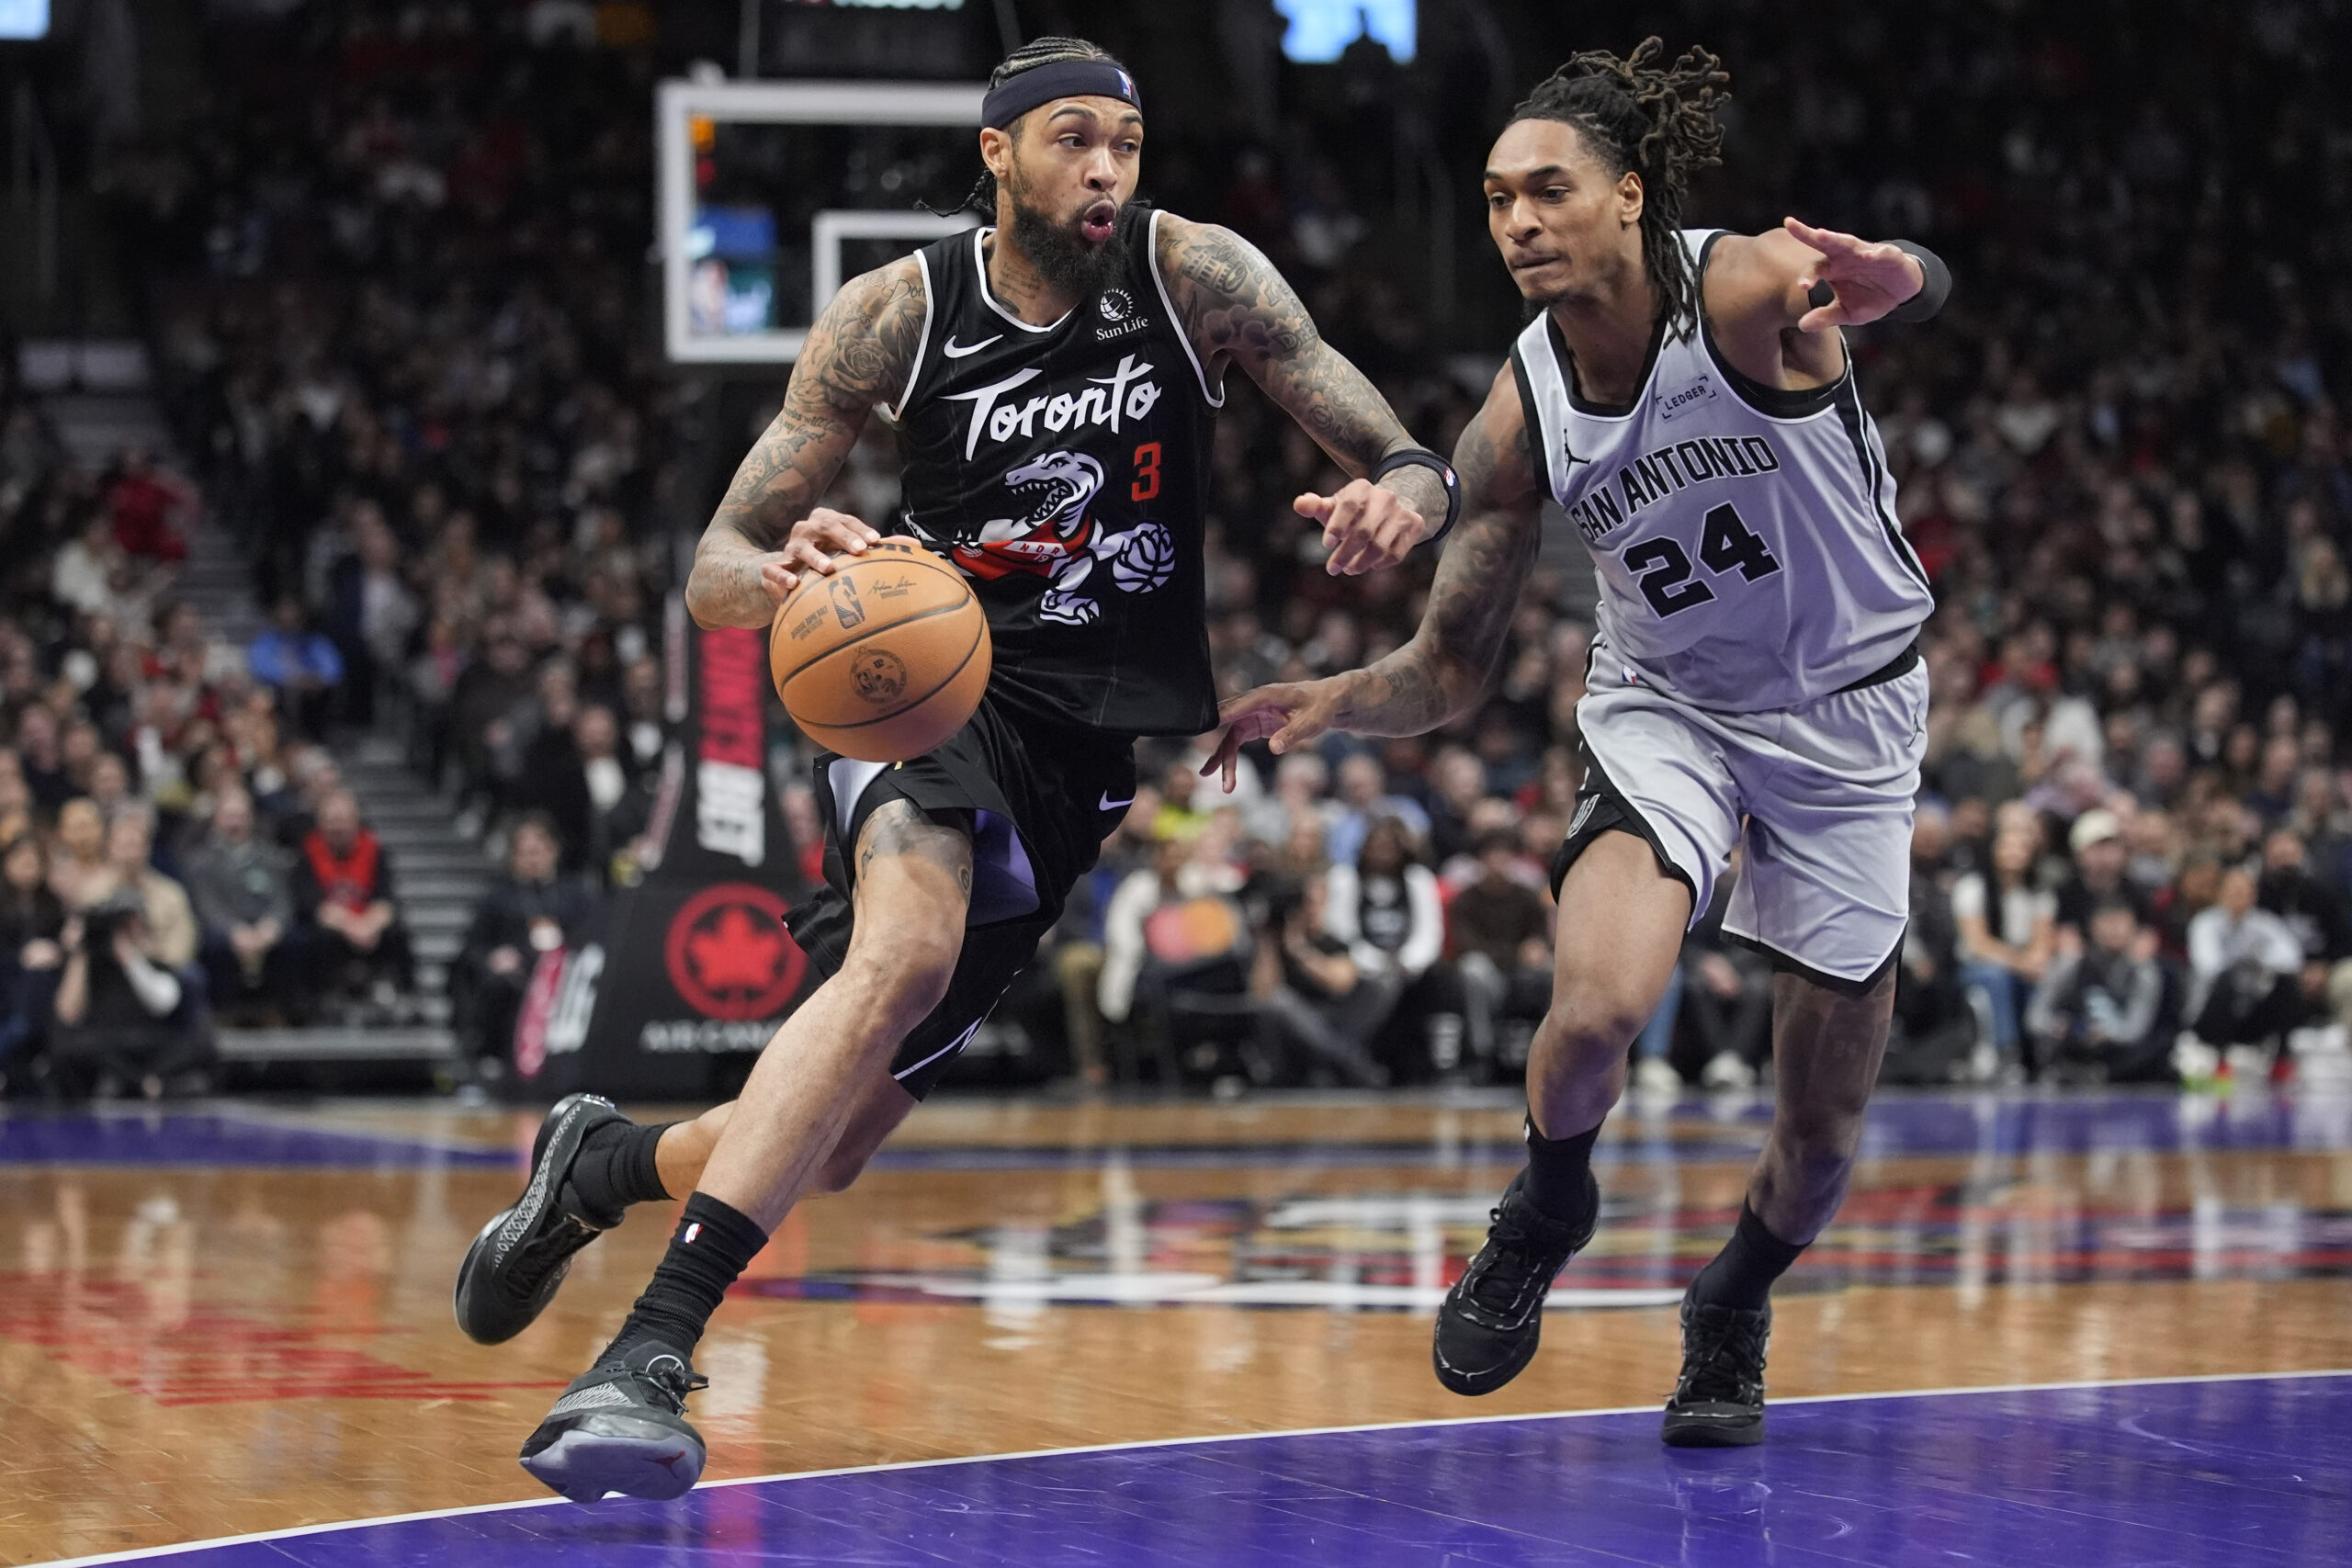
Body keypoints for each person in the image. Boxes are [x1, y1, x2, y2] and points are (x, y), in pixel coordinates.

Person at [454, 35, 1454, 1504]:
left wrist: (1400, 501)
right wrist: (787, 566)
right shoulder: (893, 314)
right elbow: (713, 570)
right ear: (996, 152)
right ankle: (649, 1351)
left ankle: (599, 1166)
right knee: (906, 951)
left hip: (1087, 742)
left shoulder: (1200, 277)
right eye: (1070, 136)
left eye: (1124, 136)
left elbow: (1405, 447)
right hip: (923, 690)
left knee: (835, 1140)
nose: (1106, 165)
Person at [1204, 39, 1949, 1445]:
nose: (1519, 222)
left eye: (1549, 190)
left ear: (1629, 194)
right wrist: (1322, 697)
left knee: (1820, 1136)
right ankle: (1548, 1198)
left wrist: (1909, 276)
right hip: (1668, 706)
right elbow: (1450, 664)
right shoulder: (1526, 401)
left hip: (1851, 718)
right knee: (1599, 1007)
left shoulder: (1731, 290)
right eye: (1494, 200)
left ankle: (1733, 1298)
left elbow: (1877, 275)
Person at [450, 814, 594, 1077]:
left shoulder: (575, 893)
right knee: (499, 986)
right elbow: (473, 945)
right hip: (520, 977)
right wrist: (494, 957)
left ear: (553, 851)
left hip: (566, 977)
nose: (532, 859)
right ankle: (493, 1058)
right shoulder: (498, 896)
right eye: (525, 853)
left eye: (538, 851)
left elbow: (592, 935)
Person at [182, 786, 303, 1023]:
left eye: (240, 816)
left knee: (295, 941)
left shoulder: (270, 856)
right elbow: (207, 905)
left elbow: (282, 899)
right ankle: (223, 1013)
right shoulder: (200, 860)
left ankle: (279, 1012)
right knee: (212, 945)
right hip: (224, 929)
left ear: (251, 819)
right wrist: (234, 931)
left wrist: (272, 926)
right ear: (217, 818)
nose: (235, 822)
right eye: (229, 815)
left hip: (264, 927)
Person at [1951, 818, 2056, 1078]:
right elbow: (1978, 944)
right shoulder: (1972, 888)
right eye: (2007, 845)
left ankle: (2045, 1052)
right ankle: (2005, 1050)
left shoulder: (2039, 893)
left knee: (2051, 976)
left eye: (2022, 847)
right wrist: (2022, 964)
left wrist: (2035, 964)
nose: (2014, 853)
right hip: (1978, 967)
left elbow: (2042, 944)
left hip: (2022, 966)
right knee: (1996, 976)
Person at [2026, 898, 2170, 1084]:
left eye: (2121, 923)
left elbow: (2136, 1029)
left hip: (2118, 1056)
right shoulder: (2069, 964)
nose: (2114, 930)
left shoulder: (2144, 973)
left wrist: (2107, 1034)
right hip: (2068, 1049)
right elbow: (2034, 1018)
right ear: (2092, 926)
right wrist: (2057, 1027)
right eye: (2107, 922)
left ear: (2134, 929)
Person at [294, 788, 413, 1010]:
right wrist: (351, 926)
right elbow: (312, 904)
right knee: (310, 938)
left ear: (356, 821)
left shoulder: (374, 849)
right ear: (320, 822)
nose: (337, 827)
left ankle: (405, 1000)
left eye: (342, 820)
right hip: (332, 927)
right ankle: (320, 1002)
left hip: (368, 925)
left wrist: (369, 924)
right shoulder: (309, 852)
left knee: (399, 932)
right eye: (331, 821)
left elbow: (386, 899)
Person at [2181, 863, 2303, 1078]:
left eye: (2244, 892)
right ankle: (2220, 1060)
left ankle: (2282, 1059)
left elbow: (2291, 959)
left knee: (2287, 983)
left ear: (2253, 896)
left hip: (2252, 1011)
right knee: (2226, 980)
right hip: (2212, 1015)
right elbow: (2208, 965)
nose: (2238, 897)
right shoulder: (2204, 924)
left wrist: (2260, 960)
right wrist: (2245, 960)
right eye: (2233, 891)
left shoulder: (2265, 924)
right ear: (2220, 894)